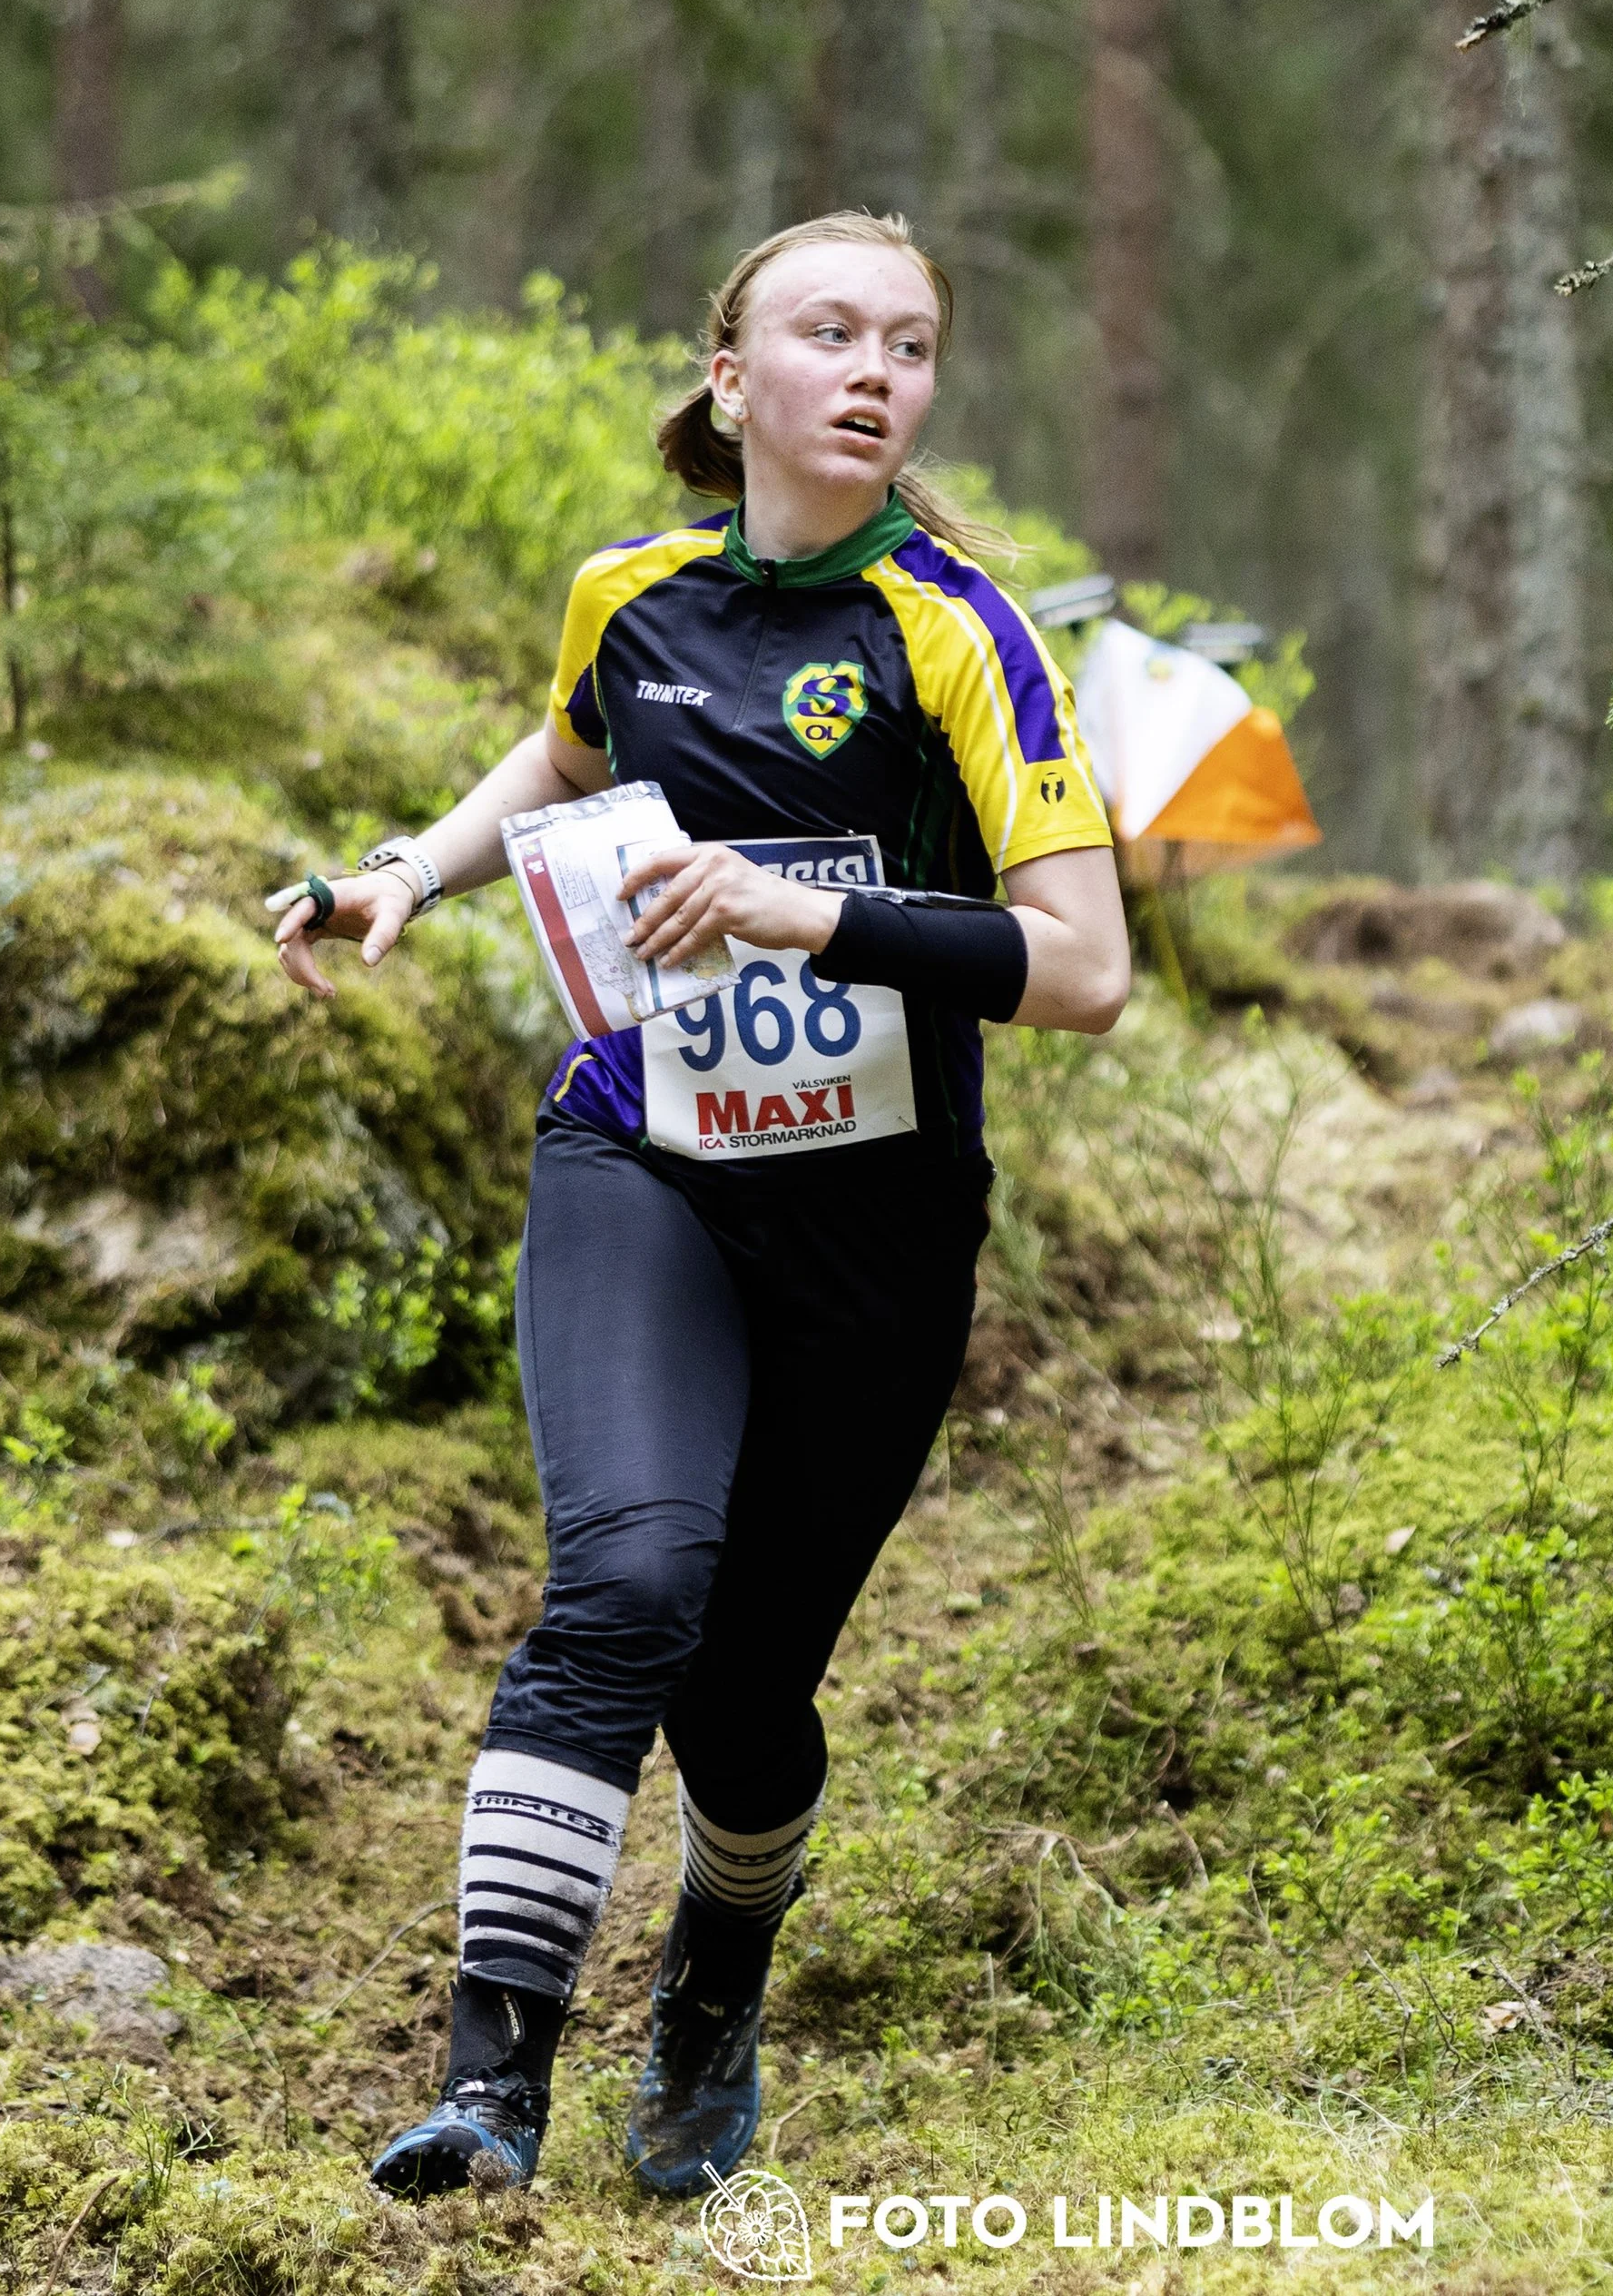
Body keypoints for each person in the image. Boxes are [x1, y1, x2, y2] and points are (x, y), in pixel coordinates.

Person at [271, 210, 1130, 2201]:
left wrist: (798, 906)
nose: (873, 371)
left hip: (874, 1223)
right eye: (827, 332)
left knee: (747, 1701)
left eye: (908, 345)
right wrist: (408, 869)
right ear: (729, 376)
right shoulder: (629, 596)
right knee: (627, 1584)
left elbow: (1079, 966)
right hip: (638, 1152)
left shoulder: (958, 632)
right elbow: (564, 753)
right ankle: (489, 2084)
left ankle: (717, 1977)